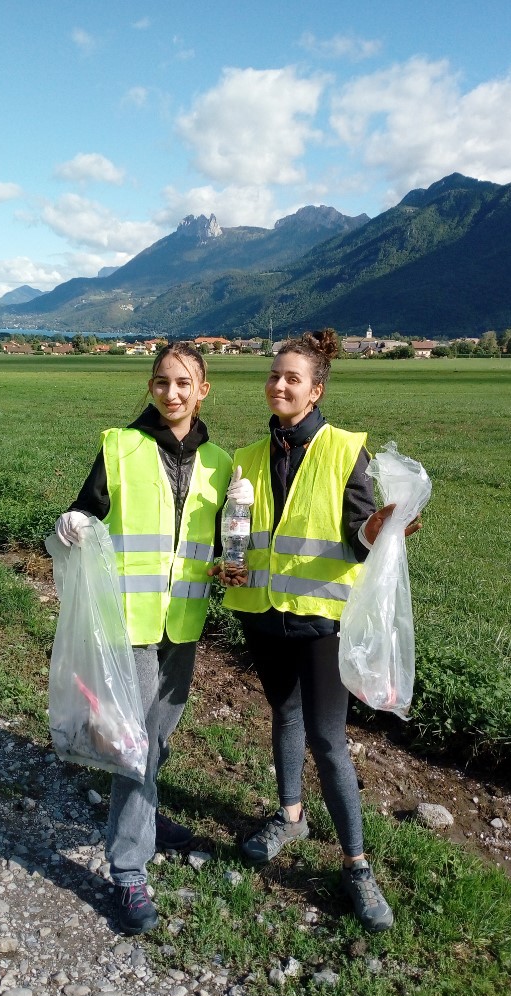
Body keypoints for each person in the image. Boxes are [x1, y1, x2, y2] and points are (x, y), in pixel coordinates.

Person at [215, 328, 420, 934]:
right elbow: (240, 534)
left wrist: (379, 530)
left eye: (292, 378)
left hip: (321, 619)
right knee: (284, 715)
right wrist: (224, 563)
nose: (278, 384)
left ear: (315, 390)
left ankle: (356, 865)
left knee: (328, 739)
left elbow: (358, 533)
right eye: (274, 375)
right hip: (263, 613)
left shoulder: (341, 450)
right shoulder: (248, 457)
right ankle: (290, 815)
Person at [55, 343, 244, 936]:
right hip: (129, 622)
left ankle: (147, 819)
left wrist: (226, 569)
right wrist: (74, 524)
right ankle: (129, 868)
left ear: (203, 388)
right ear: (150, 386)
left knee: (157, 737)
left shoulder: (220, 462)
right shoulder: (120, 445)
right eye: (161, 382)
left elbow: (216, 544)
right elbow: (85, 515)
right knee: (135, 747)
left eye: (183, 383)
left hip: (181, 625)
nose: (171, 393)